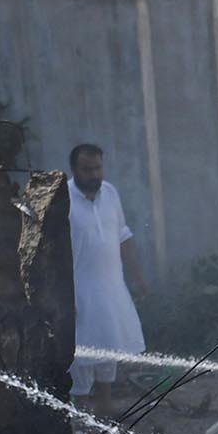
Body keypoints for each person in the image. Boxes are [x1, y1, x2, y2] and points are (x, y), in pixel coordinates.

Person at [66, 144, 147, 399]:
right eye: (87, 169)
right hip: (78, 287)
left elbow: (123, 235)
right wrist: (63, 295)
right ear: (75, 170)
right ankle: (78, 414)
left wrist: (139, 278)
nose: (93, 175)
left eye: (97, 168)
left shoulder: (110, 193)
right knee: (80, 353)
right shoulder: (63, 198)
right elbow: (53, 252)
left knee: (109, 344)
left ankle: (104, 405)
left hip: (110, 284)